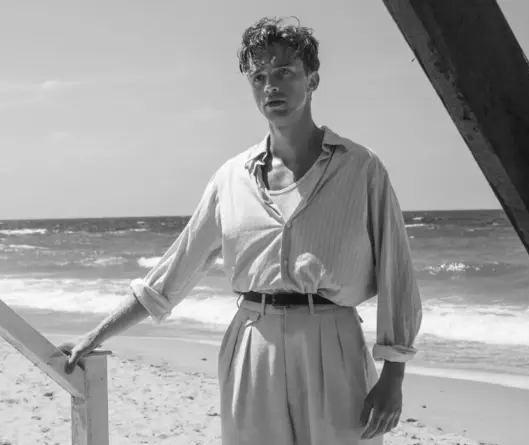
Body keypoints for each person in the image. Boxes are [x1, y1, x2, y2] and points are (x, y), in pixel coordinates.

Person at [58, 16, 423, 445]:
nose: (271, 86)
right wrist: (95, 335)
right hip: (252, 344)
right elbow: (171, 276)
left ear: (313, 80)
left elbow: (397, 275)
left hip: (335, 342)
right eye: (259, 77)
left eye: (284, 72)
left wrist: (394, 375)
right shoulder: (231, 178)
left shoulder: (362, 168)